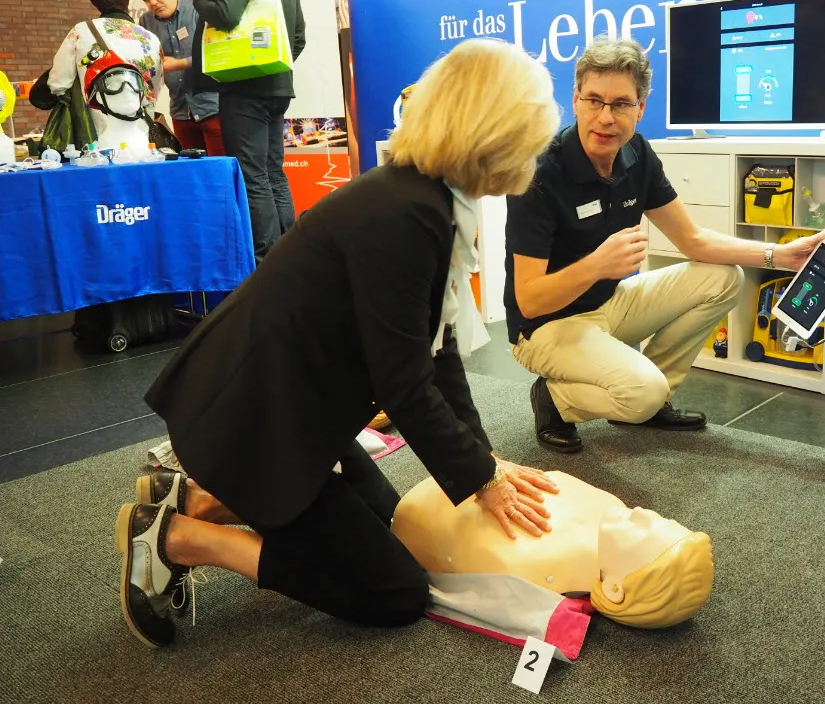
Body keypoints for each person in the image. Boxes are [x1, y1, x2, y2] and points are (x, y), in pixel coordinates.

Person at [113, 38, 563, 649]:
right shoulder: (408, 214)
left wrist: (483, 461)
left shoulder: (421, 197)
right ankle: (182, 537)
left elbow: (438, 352)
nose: (534, 156)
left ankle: (200, 496)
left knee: (392, 524)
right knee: (394, 593)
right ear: (495, 133)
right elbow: (403, 383)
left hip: (292, 413)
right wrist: (481, 478)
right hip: (258, 420)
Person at [505, 37, 825, 453]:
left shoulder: (637, 153)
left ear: (640, 108)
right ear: (576, 101)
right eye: (594, 101)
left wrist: (777, 255)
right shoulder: (539, 172)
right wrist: (597, 265)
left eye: (621, 104)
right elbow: (529, 301)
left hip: (608, 304)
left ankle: (651, 398)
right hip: (545, 329)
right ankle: (554, 399)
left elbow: (692, 239)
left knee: (723, 277)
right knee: (638, 393)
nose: (605, 117)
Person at [392, 469, 714, 629]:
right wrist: (483, 466)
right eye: (662, 518)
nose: (643, 512)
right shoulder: (611, 509)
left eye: (642, 531)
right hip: (456, 467)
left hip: (421, 503)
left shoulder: (540, 566)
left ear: (616, 588)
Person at [191, 0, 307, 263]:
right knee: (273, 172)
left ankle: (266, 259)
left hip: (245, 91)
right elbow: (298, 39)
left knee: (254, 176)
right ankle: (289, 252)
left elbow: (226, 16)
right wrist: (270, 65)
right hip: (279, 88)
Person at [46, 0, 163, 150]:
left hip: (96, 137)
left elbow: (58, 84)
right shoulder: (151, 39)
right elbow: (153, 91)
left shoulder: (81, 32)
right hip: (141, 135)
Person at [134, 0, 224, 155]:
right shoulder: (145, 22)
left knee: (219, 171)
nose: (152, 2)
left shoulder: (199, 9)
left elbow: (217, 53)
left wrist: (179, 64)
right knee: (189, 175)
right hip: (180, 112)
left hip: (213, 107)